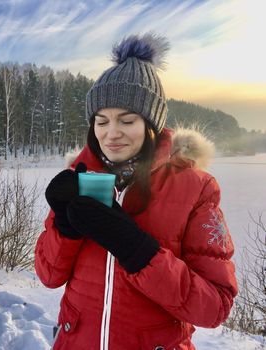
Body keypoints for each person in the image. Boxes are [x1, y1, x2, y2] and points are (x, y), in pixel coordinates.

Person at [34, 33, 238, 350]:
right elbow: (48, 276)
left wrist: (139, 251)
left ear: (151, 124)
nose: (111, 134)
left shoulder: (196, 188)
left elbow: (215, 307)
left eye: (127, 120)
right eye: (101, 121)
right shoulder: (79, 179)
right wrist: (64, 227)